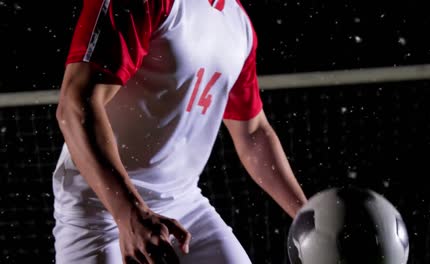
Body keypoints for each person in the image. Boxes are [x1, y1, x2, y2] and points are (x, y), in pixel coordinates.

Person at [52, 0, 308, 263]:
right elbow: (74, 106)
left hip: (185, 204)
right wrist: (128, 212)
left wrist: (307, 217)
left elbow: (253, 133)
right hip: (101, 206)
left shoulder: (239, 23)